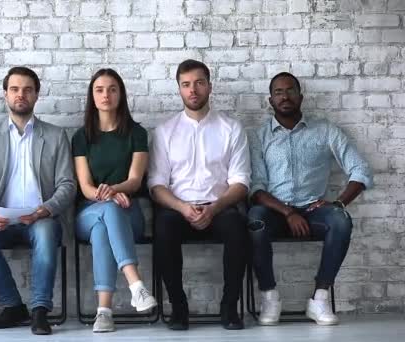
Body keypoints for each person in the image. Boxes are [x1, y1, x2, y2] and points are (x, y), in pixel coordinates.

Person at [248, 72, 373, 326]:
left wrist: (338, 203)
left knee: (340, 221)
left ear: (301, 96)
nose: (285, 96)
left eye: (290, 90)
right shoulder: (258, 137)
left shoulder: (325, 131)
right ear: (270, 100)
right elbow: (256, 188)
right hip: (275, 211)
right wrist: (288, 212)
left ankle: (320, 298)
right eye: (279, 92)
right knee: (254, 220)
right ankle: (270, 297)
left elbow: (360, 170)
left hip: (313, 210)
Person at [0, 66, 76, 335]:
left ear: (37, 95)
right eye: (15, 89)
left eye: (27, 90)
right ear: (5, 94)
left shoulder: (55, 136)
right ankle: (13, 305)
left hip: (41, 217)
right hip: (2, 220)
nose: (21, 95)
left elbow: (67, 184)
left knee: (43, 233)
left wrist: (46, 209)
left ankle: (40, 310)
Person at [148, 59, 251, 331]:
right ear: (179, 89)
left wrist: (214, 209)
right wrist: (182, 208)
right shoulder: (165, 131)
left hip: (220, 207)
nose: (193, 90)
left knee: (238, 227)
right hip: (178, 208)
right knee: (163, 227)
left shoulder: (232, 128)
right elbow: (157, 184)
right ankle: (179, 308)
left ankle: (229, 307)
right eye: (186, 84)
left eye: (199, 83)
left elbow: (240, 183)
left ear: (210, 87)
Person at [72, 68, 158, 333]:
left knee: (103, 229)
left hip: (127, 210)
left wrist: (115, 189)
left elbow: (134, 180)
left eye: (112, 89)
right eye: (99, 90)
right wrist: (107, 194)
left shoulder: (137, 133)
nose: (106, 95)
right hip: (89, 210)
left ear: (121, 94)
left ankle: (104, 312)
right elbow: (86, 187)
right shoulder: (81, 137)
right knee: (103, 214)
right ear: (92, 96)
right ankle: (136, 285)